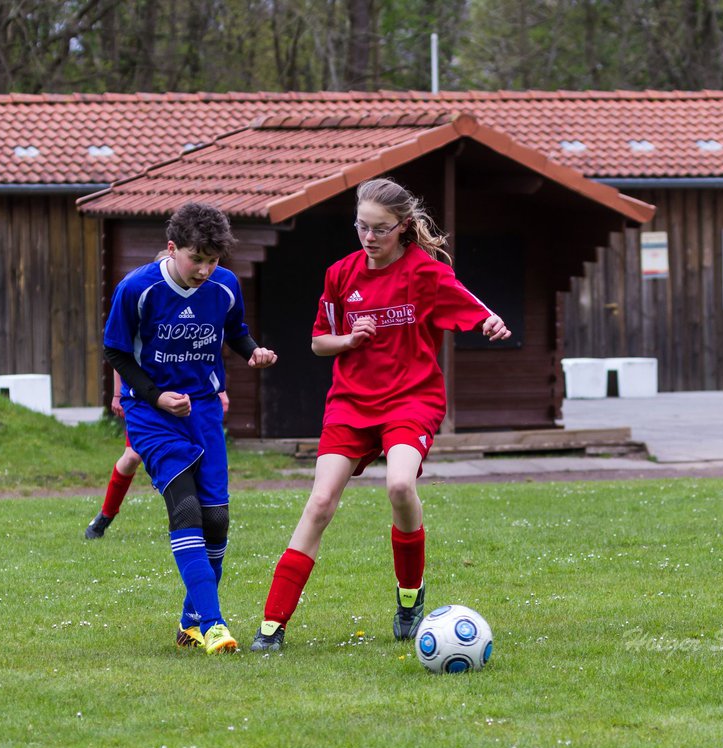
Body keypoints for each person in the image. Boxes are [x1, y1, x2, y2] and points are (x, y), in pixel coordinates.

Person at [250, 177, 511, 653]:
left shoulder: (425, 273)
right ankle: (272, 626)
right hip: (351, 402)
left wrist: (490, 321)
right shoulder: (340, 274)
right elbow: (317, 341)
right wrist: (349, 339)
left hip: (412, 399)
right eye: (361, 227)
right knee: (321, 501)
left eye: (380, 230)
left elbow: (474, 307)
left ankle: (410, 598)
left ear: (404, 227)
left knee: (399, 485)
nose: (369, 238)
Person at [102, 202, 276, 654]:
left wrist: (252, 351)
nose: (203, 269)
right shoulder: (137, 289)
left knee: (216, 519)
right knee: (185, 510)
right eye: (195, 258)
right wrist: (155, 395)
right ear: (172, 248)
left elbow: (234, 330)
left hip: (203, 412)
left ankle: (189, 622)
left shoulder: (225, 285)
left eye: (212, 260)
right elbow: (116, 352)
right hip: (151, 414)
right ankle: (215, 625)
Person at [84, 372, 228, 539]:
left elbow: (206, 352)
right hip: (146, 405)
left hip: (188, 399)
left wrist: (221, 391)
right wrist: (117, 393)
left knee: (190, 456)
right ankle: (106, 515)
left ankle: (190, 520)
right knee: (131, 457)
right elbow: (119, 353)